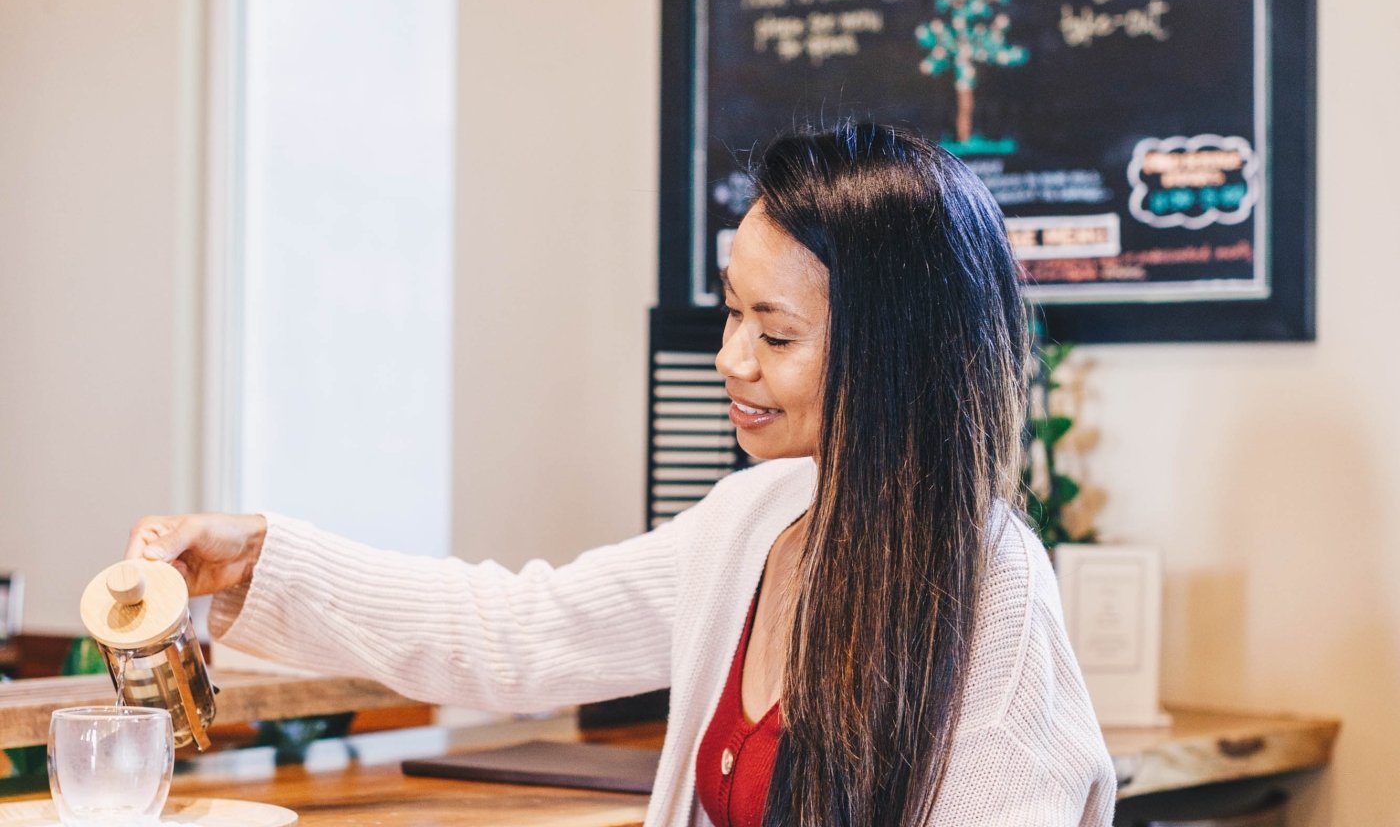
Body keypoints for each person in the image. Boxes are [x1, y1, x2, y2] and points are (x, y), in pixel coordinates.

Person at [126, 123, 1115, 827]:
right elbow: (517, 635)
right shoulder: (752, 519)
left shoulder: (991, 588)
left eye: (774, 333)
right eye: (730, 315)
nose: (730, 360)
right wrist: (257, 557)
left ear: (894, 354)